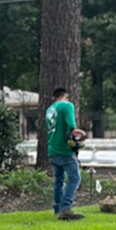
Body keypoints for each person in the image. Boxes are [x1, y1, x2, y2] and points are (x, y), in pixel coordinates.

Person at [46, 87, 86, 220]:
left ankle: (57, 207)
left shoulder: (50, 110)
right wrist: (79, 134)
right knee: (75, 178)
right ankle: (66, 209)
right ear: (66, 96)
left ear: (54, 97)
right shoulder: (67, 105)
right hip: (64, 150)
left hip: (52, 149)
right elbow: (72, 126)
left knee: (59, 180)